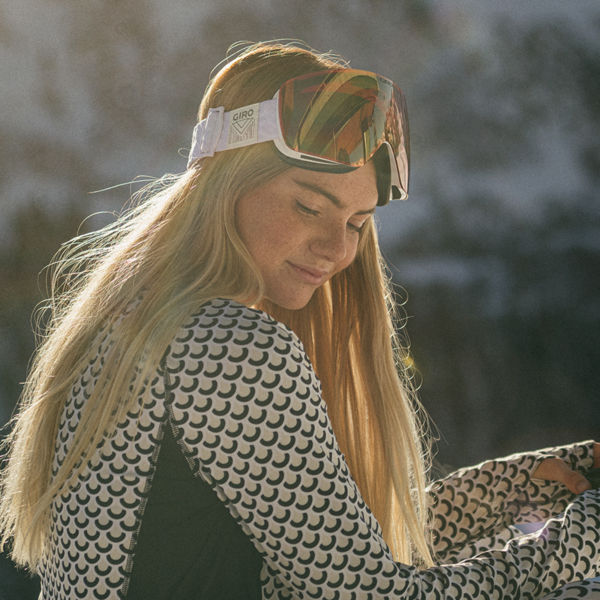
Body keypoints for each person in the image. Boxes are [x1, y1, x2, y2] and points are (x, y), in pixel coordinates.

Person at [0, 40, 598, 600]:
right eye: (310, 206)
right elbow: (365, 591)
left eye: (358, 224)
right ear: (226, 183)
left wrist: (518, 491)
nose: (339, 250)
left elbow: (323, 549)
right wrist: (583, 544)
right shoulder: (227, 350)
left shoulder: (140, 324)